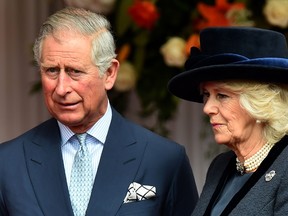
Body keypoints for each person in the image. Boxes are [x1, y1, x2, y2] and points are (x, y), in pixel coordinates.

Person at [0, 7, 199, 216]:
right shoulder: (7, 163)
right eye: (51, 71)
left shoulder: (164, 159)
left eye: (74, 71)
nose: (61, 88)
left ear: (110, 74)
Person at [168, 26, 288, 215]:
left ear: (260, 104)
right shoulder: (221, 166)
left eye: (222, 95)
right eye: (206, 95)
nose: (207, 108)